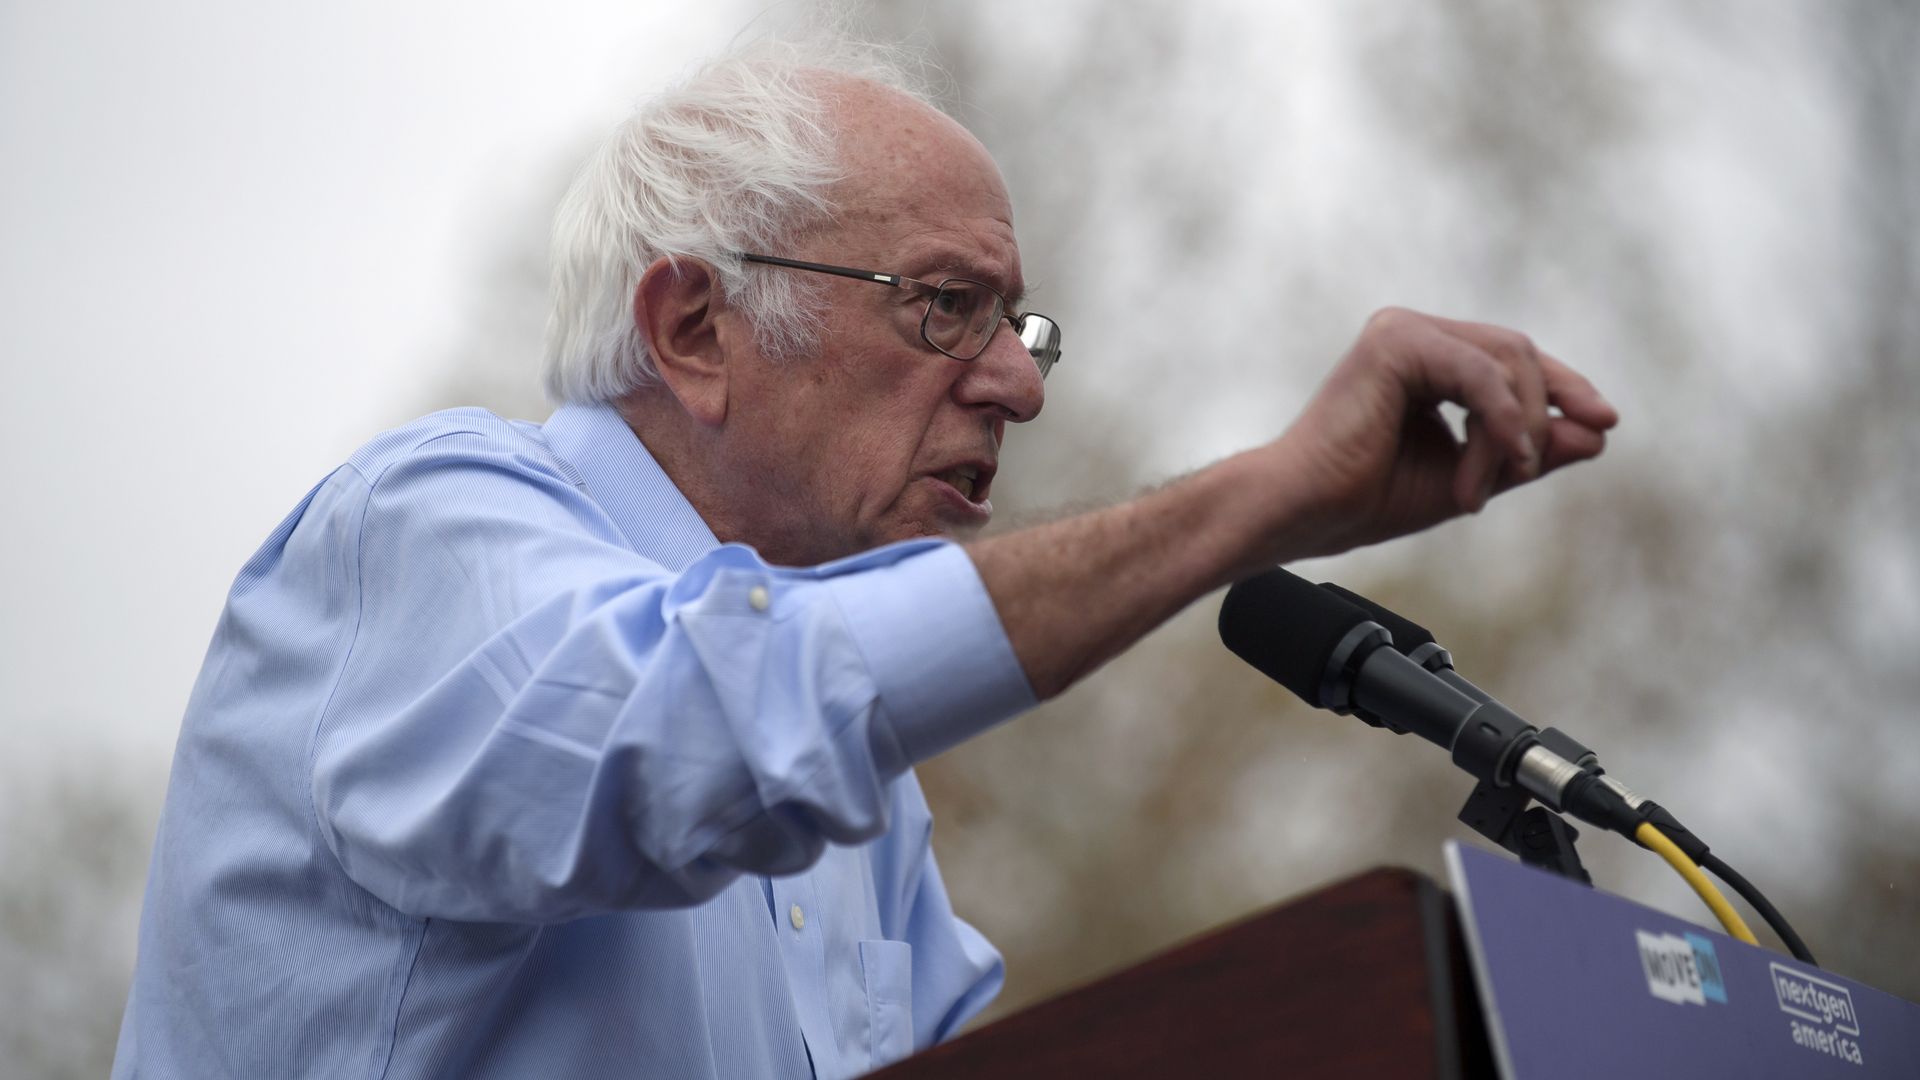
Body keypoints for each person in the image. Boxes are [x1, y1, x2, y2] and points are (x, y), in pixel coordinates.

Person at [111, 33, 1617, 1080]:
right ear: (692, 330)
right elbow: (706, 727)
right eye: (944, 308)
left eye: (1018, 329)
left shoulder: (853, 770)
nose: (1019, 386)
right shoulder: (422, 532)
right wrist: (1263, 497)